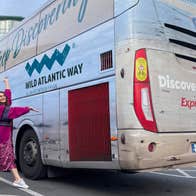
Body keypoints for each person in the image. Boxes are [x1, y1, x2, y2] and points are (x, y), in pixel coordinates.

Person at [0, 77, 38, 189]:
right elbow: (13, 111)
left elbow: (8, 97)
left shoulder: (5, 106)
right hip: (2, 138)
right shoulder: (2, 109)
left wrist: (6, 82)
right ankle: (17, 179)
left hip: (5, 137)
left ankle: (17, 179)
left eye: (2, 96)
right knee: (8, 157)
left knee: (8, 157)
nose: (2, 98)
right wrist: (27, 108)